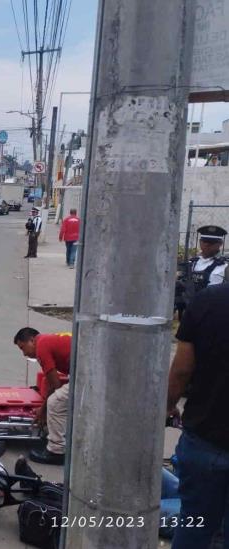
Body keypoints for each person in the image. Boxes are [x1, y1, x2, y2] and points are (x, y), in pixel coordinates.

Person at [167, 283, 229, 548]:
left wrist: (169, 405)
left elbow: (182, 369)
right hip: (206, 440)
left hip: (206, 436)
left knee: (195, 525)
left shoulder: (210, 300)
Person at [13, 328, 71, 465]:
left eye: (23, 348)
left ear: (32, 340)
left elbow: (55, 384)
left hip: (86, 371)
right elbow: (51, 381)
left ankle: (56, 451)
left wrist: (43, 411)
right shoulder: (48, 340)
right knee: (60, 398)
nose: (24, 354)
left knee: (56, 402)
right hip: (84, 367)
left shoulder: (42, 347)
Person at [175, 225, 227, 320]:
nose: (207, 245)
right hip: (188, 314)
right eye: (204, 241)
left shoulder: (225, 266)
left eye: (212, 242)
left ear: (220, 244)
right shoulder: (191, 264)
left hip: (212, 315)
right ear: (200, 242)